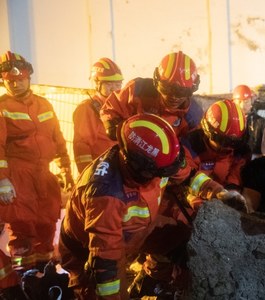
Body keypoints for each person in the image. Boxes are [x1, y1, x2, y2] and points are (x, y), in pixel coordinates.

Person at [59, 113, 188, 299]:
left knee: (178, 236)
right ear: (139, 169)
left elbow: (186, 176)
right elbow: (105, 262)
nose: (161, 177)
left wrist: (217, 192)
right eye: (158, 173)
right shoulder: (106, 195)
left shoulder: (157, 159)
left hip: (131, 234)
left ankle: (148, 283)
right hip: (89, 250)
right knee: (104, 292)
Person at [0, 51, 74, 273]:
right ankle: (24, 278)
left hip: (44, 174)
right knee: (23, 227)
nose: (16, 84)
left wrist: (66, 170)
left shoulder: (43, 104)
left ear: (28, 77)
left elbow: (58, 138)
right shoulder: (3, 107)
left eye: (20, 79)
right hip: (18, 174)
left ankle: (45, 275)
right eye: (10, 81)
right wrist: (3, 180)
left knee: (47, 224)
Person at [100, 51, 201, 139]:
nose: (173, 97)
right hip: (129, 149)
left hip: (163, 159)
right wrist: (111, 125)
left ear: (192, 90)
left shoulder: (193, 117)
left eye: (181, 92)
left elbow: (190, 151)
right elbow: (112, 107)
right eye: (166, 89)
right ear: (156, 82)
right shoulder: (138, 90)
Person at [180, 99, 250, 210]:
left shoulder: (241, 152)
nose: (228, 147)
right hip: (189, 204)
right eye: (223, 141)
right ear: (207, 131)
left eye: (234, 142)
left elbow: (234, 180)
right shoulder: (188, 146)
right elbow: (185, 178)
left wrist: (231, 195)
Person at [73, 57, 123, 173]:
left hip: (119, 170)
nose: (115, 89)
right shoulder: (86, 109)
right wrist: (87, 174)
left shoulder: (121, 107)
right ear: (96, 84)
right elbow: (82, 146)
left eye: (118, 84)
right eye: (110, 84)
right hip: (102, 172)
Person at [232, 84, 265, 155]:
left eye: (246, 101)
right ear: (233, 102)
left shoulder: (261, 123)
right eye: (239, 101)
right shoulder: (229, 122)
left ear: (251, 102)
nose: (242, 105)